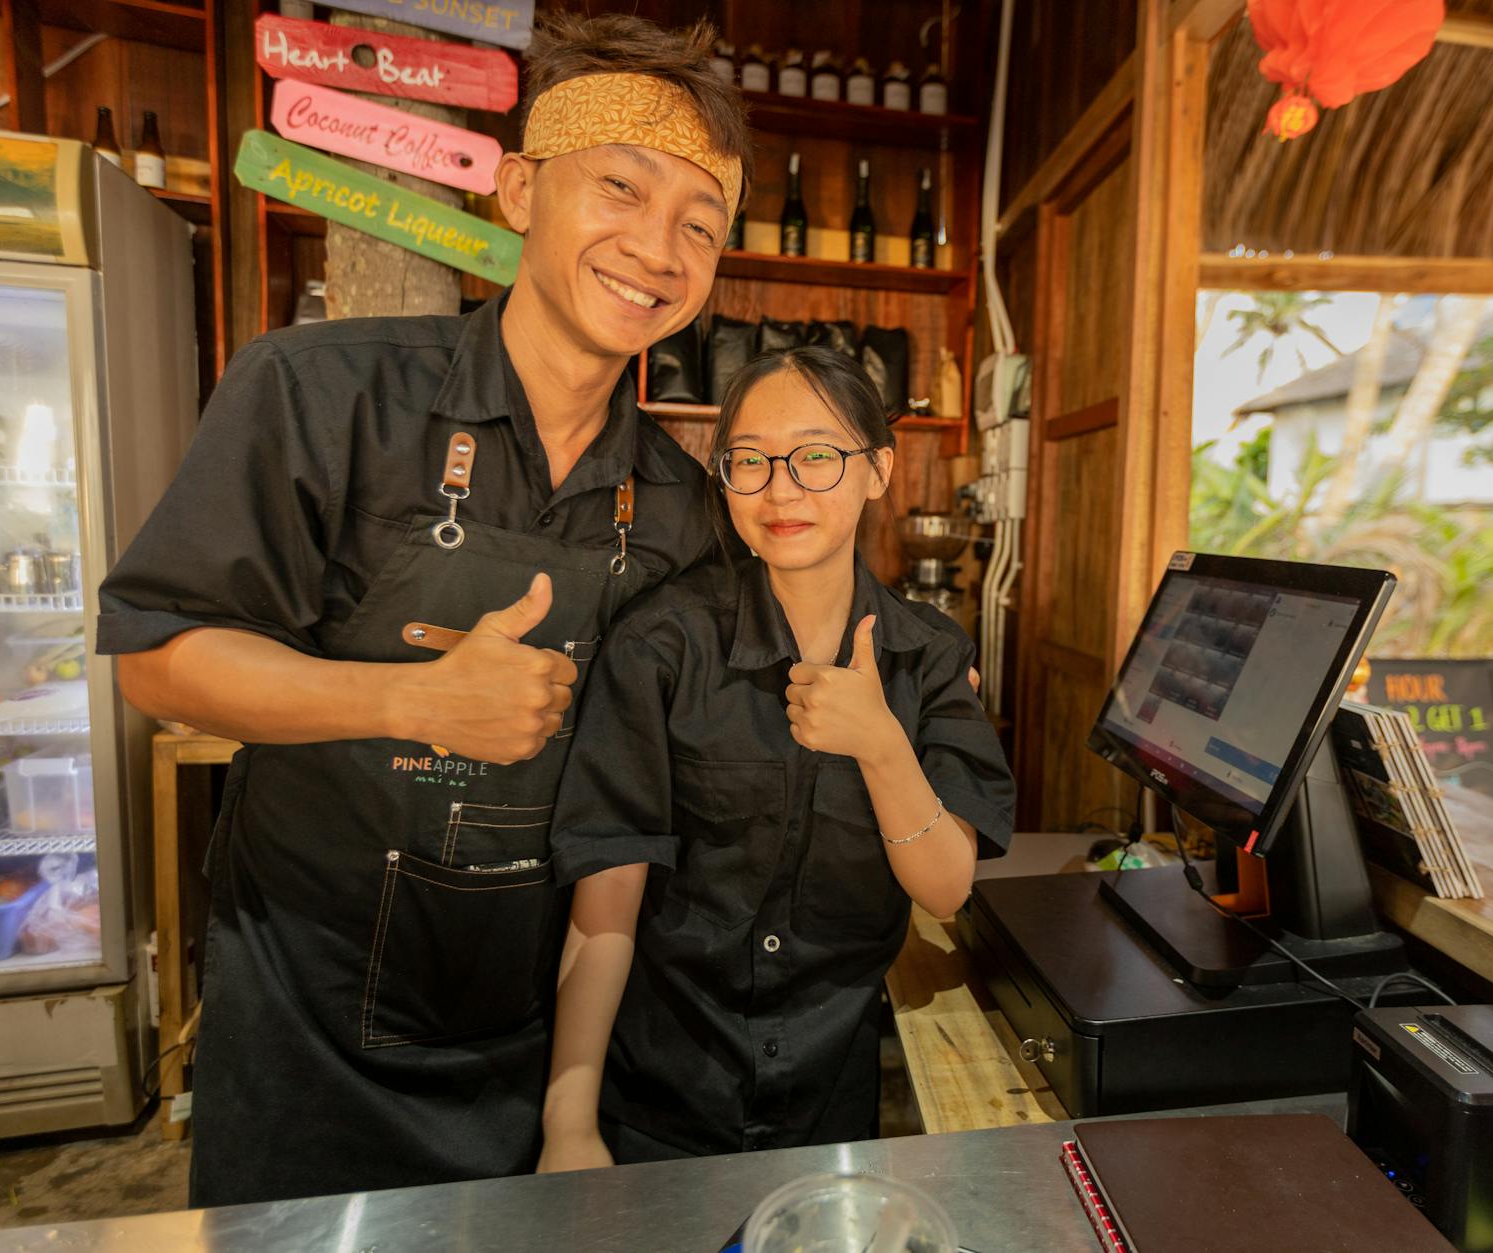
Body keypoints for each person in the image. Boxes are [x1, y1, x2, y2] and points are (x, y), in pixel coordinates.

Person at [94, 14, 753, 1206]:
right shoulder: (318, 390)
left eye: (699, 226)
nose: (657, 248)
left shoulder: (676, 504)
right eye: (620, 187)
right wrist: (414, 698)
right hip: (306, 998)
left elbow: (646, 782)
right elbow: (156, 655)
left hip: (526, 1018)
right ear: (516, 192)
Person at [538, 347, 1016, 1168]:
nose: (781, 488)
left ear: (878, 471)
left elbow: (946, 883)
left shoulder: (931, 657)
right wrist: (567, 1123)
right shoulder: (663, 644)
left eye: (817, 456)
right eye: (750, 461)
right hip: (656, 1098)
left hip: (828, 1107)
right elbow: (607, 893)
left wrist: (879, 742)